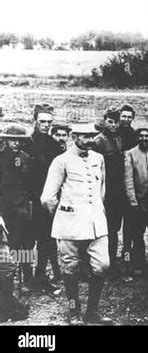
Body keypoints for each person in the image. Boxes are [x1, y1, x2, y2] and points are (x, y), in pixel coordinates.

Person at [41, 123, 112, 325]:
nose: (91, 140)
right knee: (70, 268)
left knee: (102, 265)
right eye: (85, 136)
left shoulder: (99, 158)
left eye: (92, 136)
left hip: (95, 223)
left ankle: (93, 312)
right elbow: (48, 198)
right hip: (69, 224)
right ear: (74, 137)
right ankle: (74, 312)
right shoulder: (60, 161)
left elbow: (102, 190)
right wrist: (64, 216)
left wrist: (95, 211)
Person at [29, 103, 62, 291]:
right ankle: (24, 274)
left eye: (49, 122)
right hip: (27, 201)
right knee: (25, 242)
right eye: (42, 121)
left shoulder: (54, 146)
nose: (46, 125)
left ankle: (39, 275)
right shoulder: (26, 142)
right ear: (34, 121)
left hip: (46, 200)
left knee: (45, 240)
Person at [124, 120, 148, 281]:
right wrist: (133, 202)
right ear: (137, 137)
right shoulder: (130, 154)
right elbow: (128, 180)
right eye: (141, 136)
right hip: (139, 203)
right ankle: (139, 264)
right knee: (137, 236)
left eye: (147, 136)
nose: (144, 139)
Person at [0, 124, 36, 291]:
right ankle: (11, 279)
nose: (16, 143)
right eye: (12, 140)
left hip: (24, 209)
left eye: (19, 140)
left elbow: (30, 185)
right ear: (6, 140)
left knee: (27, 244)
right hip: (6, 210)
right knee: (11, 245)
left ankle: (28, 277)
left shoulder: (26, 158)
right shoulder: (1, 158)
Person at [94, 106, 125, 275]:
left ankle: (113, 261)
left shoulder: (119, 138)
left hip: (118, 191)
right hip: (105, 189)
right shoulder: (99, 141)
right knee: (103, 229)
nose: (113, 125)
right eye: (110, 122)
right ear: (105, 121)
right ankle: (102, 262)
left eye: (116, 122)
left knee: (114, 229)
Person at [118, 104, 138, 275]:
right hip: (116, 187)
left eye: (129, 117)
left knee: (130, 227)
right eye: (123, 116)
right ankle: (117, 258)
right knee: (114, 226)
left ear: (133, 118)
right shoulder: (115, 134)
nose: (125, 119)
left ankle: (127, 255)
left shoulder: (134, 135)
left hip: (130, 187)